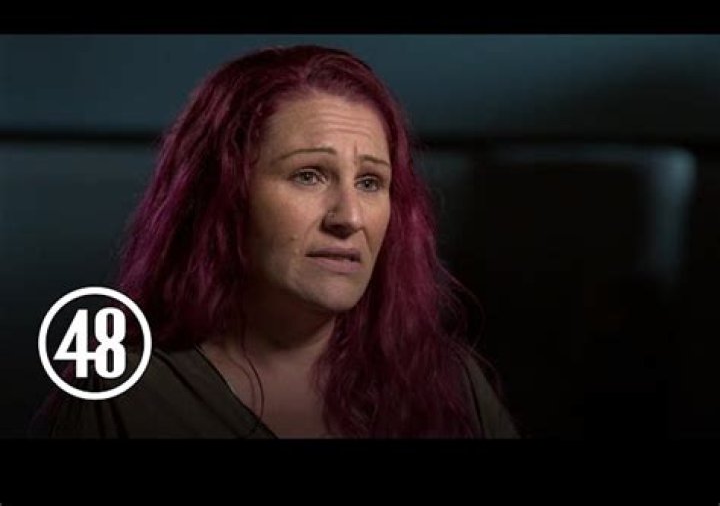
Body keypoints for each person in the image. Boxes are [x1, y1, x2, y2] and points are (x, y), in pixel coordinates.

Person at [31, 45, 519, 438]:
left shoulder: (449, 384)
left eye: (371, 182)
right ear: (224, 195)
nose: (350, 218)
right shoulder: (121, 395)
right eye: (309, 175)